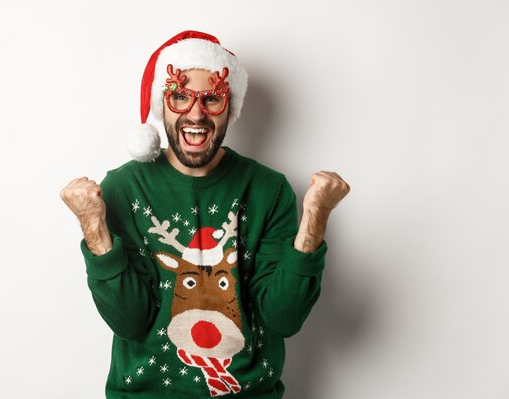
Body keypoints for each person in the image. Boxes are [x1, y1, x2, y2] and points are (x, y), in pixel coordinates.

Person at [60, 30, 350, 398]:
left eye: (211, 99)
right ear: (160, 105)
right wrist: (94, 229)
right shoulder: (122, 188)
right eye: (180, 96)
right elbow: (129, 322)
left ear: (229, 106)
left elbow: (283, 319)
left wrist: (315, 221)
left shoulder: (269, 190)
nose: (195, 113)